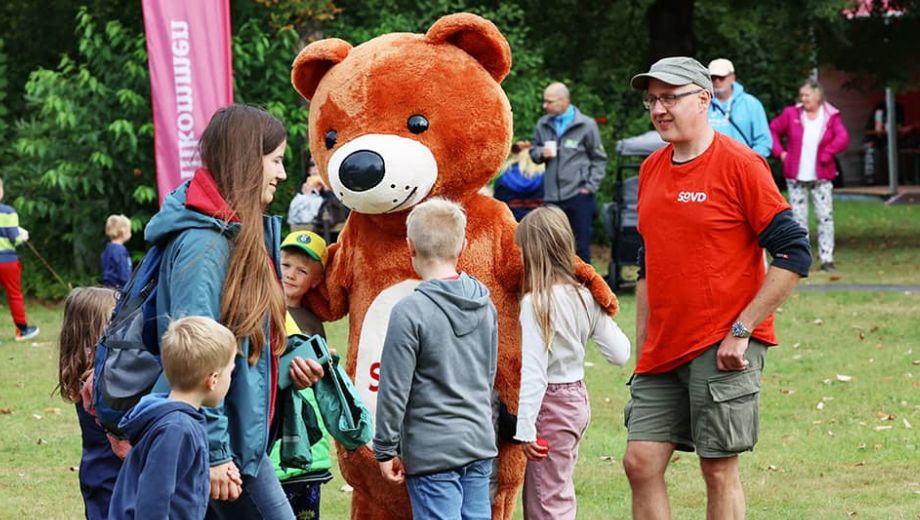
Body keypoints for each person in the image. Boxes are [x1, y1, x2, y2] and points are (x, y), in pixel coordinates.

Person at [626, 57, 811, 520]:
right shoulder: (651, 168)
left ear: (704, 99)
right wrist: (643, 343)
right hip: (662, 347)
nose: (659, 109)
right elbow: (649, 260)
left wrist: (742, 329)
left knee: (717, 467)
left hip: (722, 343)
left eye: (670, 97)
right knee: (640, 461)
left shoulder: (741, 165)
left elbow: (794, 253)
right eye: (653, 100)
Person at [143, 104, 325, 519]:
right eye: (275, 161)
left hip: (239, 443)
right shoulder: (205, 246)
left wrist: (288, 362)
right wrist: (215, 452)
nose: (282, 174)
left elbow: (242, 341)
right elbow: (194, 357)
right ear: (247, 161)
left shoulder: (240, 233)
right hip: (220, 447)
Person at [373, 197, 497, 520]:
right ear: (464, 246)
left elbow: (393, 388)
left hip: (433, 452)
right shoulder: (485, 304)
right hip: (479, 442)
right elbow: (488, 374)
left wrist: (385, 448)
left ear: (410, 247)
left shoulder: (409, 312)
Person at [513, 206, 631, 519]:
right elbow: (620, 353)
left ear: (533, 253)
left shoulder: (534, 304)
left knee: (545, 500)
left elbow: (535, 372)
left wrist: (524, 429)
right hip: (577, 400)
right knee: (558, 486)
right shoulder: (586, 297)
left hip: (548, 407)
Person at [107, 316, 238, 520]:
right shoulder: (177, 428)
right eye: (230, 372)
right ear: (213, 379)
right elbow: (154, 502)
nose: (230, 379)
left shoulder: (180, 420)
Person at [270, 229, 334, 519]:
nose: (291, 274)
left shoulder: (312, 322)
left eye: (302, 270)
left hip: (309, 449)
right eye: (285, 265)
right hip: (272, 446)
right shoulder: (263, 311)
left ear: (316, 280)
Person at [770, 78, 850, 273]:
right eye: (802, 95)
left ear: (818, 96)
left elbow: (843, 137)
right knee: (798, 219)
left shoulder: (830, 116)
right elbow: (773, 129)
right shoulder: (792, 114)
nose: (803, 99)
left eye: (807, 95)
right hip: (796, 175)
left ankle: (827, 258)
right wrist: (780, 153)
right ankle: (801, 259)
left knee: (825, 216)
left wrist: (828, 152)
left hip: (821, 175)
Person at [55, 286, 120, 520]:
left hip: (96, 473)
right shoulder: (99, 377)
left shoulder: (82, 365)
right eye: (114, 318)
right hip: (109, 479)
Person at [530, 82, 608, 263]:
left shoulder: (586, 125)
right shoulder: (543, 124)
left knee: (581, 247)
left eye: (549, 102)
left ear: (564, 101)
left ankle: (584, 289)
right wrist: (540, 153)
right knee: (552, 245)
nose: (544, 106)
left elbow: (599, 158)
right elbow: (534, 153)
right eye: (545, 101)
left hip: (579, 195)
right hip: (552, 197)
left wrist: (589, 187)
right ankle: (555, 288)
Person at [707, 58, 772, 158]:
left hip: (742, 166)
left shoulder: (751, 103)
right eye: (713, 77)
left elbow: (763, 141)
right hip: (709, 166)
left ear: (732, 77)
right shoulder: (702, 104)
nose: (717, 81)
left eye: (721, 77)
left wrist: (749, 162)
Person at [0, 178, 39, 341]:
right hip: (7, 260)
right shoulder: (8, 211)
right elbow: (14, 238)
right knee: (14, 295)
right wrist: (23, 236)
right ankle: (22, 330)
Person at [493, 140, 544, 221]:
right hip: (540, 228)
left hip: (512, 229)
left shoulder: (502, 181)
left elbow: (497, 211)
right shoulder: (546, 180)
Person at [287, 158, 326, 232]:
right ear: (308, 170)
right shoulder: (303, 188)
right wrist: (306, 195)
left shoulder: (333, 185)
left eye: (319, 163)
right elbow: (294, 217)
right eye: (312, 165)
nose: (315, 168)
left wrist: (326, 189)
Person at [100, 214, 133, 289]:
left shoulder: (107, 248)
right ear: (123, 232)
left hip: (107, 286)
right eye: (129, 230)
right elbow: (124, 272)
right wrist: (129, 286)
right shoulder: (120, 251)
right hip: (119, 288)